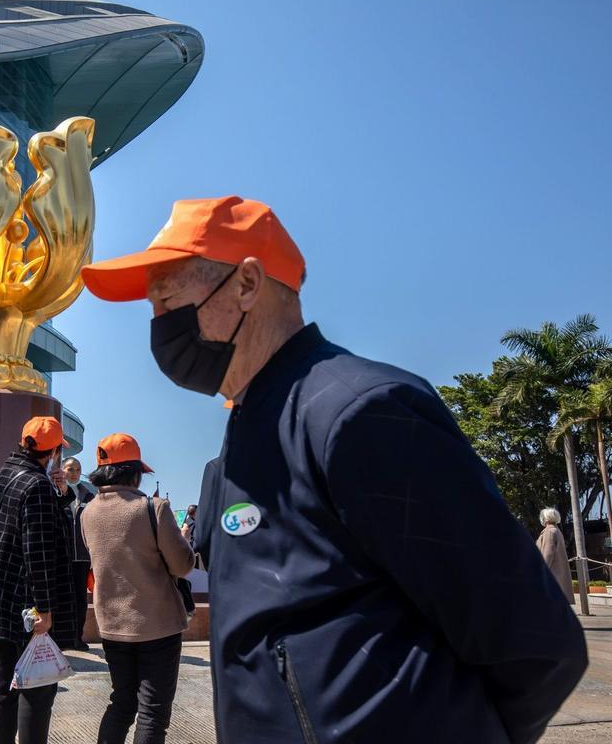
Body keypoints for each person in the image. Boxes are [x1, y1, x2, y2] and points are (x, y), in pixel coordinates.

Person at [80, 196, 588, 742]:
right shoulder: (247, 432)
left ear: (247, 284)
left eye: (168, 302)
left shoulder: (361, 412)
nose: (159, 327)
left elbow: (533, 642)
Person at [82, 433, 195, 744]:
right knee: (153, 712)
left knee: (121, 702)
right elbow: (182, 565)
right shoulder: (153, 508)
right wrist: (184, 537)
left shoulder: (87, 513)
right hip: (157, 624)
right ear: (133, 472)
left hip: (112, 626)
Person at [0, 416, 77, 744]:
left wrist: (60, 496)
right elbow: (40, 554)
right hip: (27, 605)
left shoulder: (6, 473)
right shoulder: (36, 485)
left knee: (3, 686)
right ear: (55, 452)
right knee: (37, 688)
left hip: (0, 595)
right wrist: (44, 610)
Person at [60, 456, 95, 651]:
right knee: (62, 597)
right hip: (62, 556)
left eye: (77, 469)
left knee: (80, 599)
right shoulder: (55, 493)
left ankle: (77, 637)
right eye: (70, 469)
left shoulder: (88, 495)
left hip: (81, 556)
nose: (74, 473)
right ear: (62, 470)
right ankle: (60, 637)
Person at [536, 507, 574, 605]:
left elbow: (548, 554)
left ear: (546, 519)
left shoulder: (549, 532)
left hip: (552, 574)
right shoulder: (556, 531)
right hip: (558, 573)